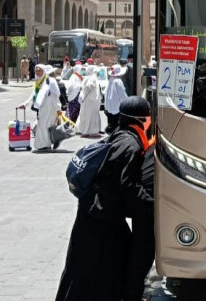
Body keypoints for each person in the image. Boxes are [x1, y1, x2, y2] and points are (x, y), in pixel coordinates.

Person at [55, 96, 156, 301]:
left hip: (90, 213)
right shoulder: (132, 145)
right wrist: (150, 204)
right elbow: (126, 184)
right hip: (103, 219)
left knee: (79, 270)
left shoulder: (117, 135)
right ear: (142, 119)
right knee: (104, 270)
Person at [19, 64, 61, 151]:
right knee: (42, 126)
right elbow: (33, 95)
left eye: (40, 70)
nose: (38, 72)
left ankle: (45, 144)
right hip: (42, 108)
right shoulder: (38, 82)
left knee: (44, 126)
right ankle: (44, 144)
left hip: (50, 107)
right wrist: (25, 104)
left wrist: (58, 108)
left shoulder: (50, 81)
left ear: (44, 71)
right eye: (36, 71)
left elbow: (55, 95)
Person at [74, 65, 101, 137]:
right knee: (89, 116)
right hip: (90, 101)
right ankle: (86, 131)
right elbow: (89, 85)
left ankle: (90, 131)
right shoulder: (92, 78)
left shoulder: (90, 78)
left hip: (90, 101)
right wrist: (90, 87)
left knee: (89, 116)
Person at [104, 64, 128, 134]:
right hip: (117, 106)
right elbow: (122, 94)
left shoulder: (111, 80)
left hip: (110, 105)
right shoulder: (118, 81)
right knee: (117, 125)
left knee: (111, 123)